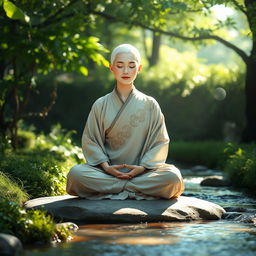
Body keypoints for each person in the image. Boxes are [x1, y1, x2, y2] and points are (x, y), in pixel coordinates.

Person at [66, 44, 184, 200]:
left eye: (131, 66)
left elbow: (160, 142)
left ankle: (116, 188)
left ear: (139, 68)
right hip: (106, 173)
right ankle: (132, 189)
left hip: (143, 173)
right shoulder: (100, 104)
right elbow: (91, 141)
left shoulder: (150, 104)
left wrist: (142, 168)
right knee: (76, 175)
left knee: (173, 177)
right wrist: (107, 168)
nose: (126, 71)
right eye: (120, 66)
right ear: (111, 68)